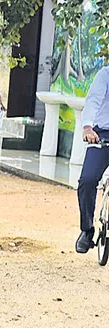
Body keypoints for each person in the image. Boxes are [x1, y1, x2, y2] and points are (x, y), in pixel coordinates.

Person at [75, 66, 109, 253]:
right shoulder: (106, 74)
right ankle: (87, 231)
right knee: (87, 180)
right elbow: (93, 100)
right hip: (101, 134)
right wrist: (87, 127)